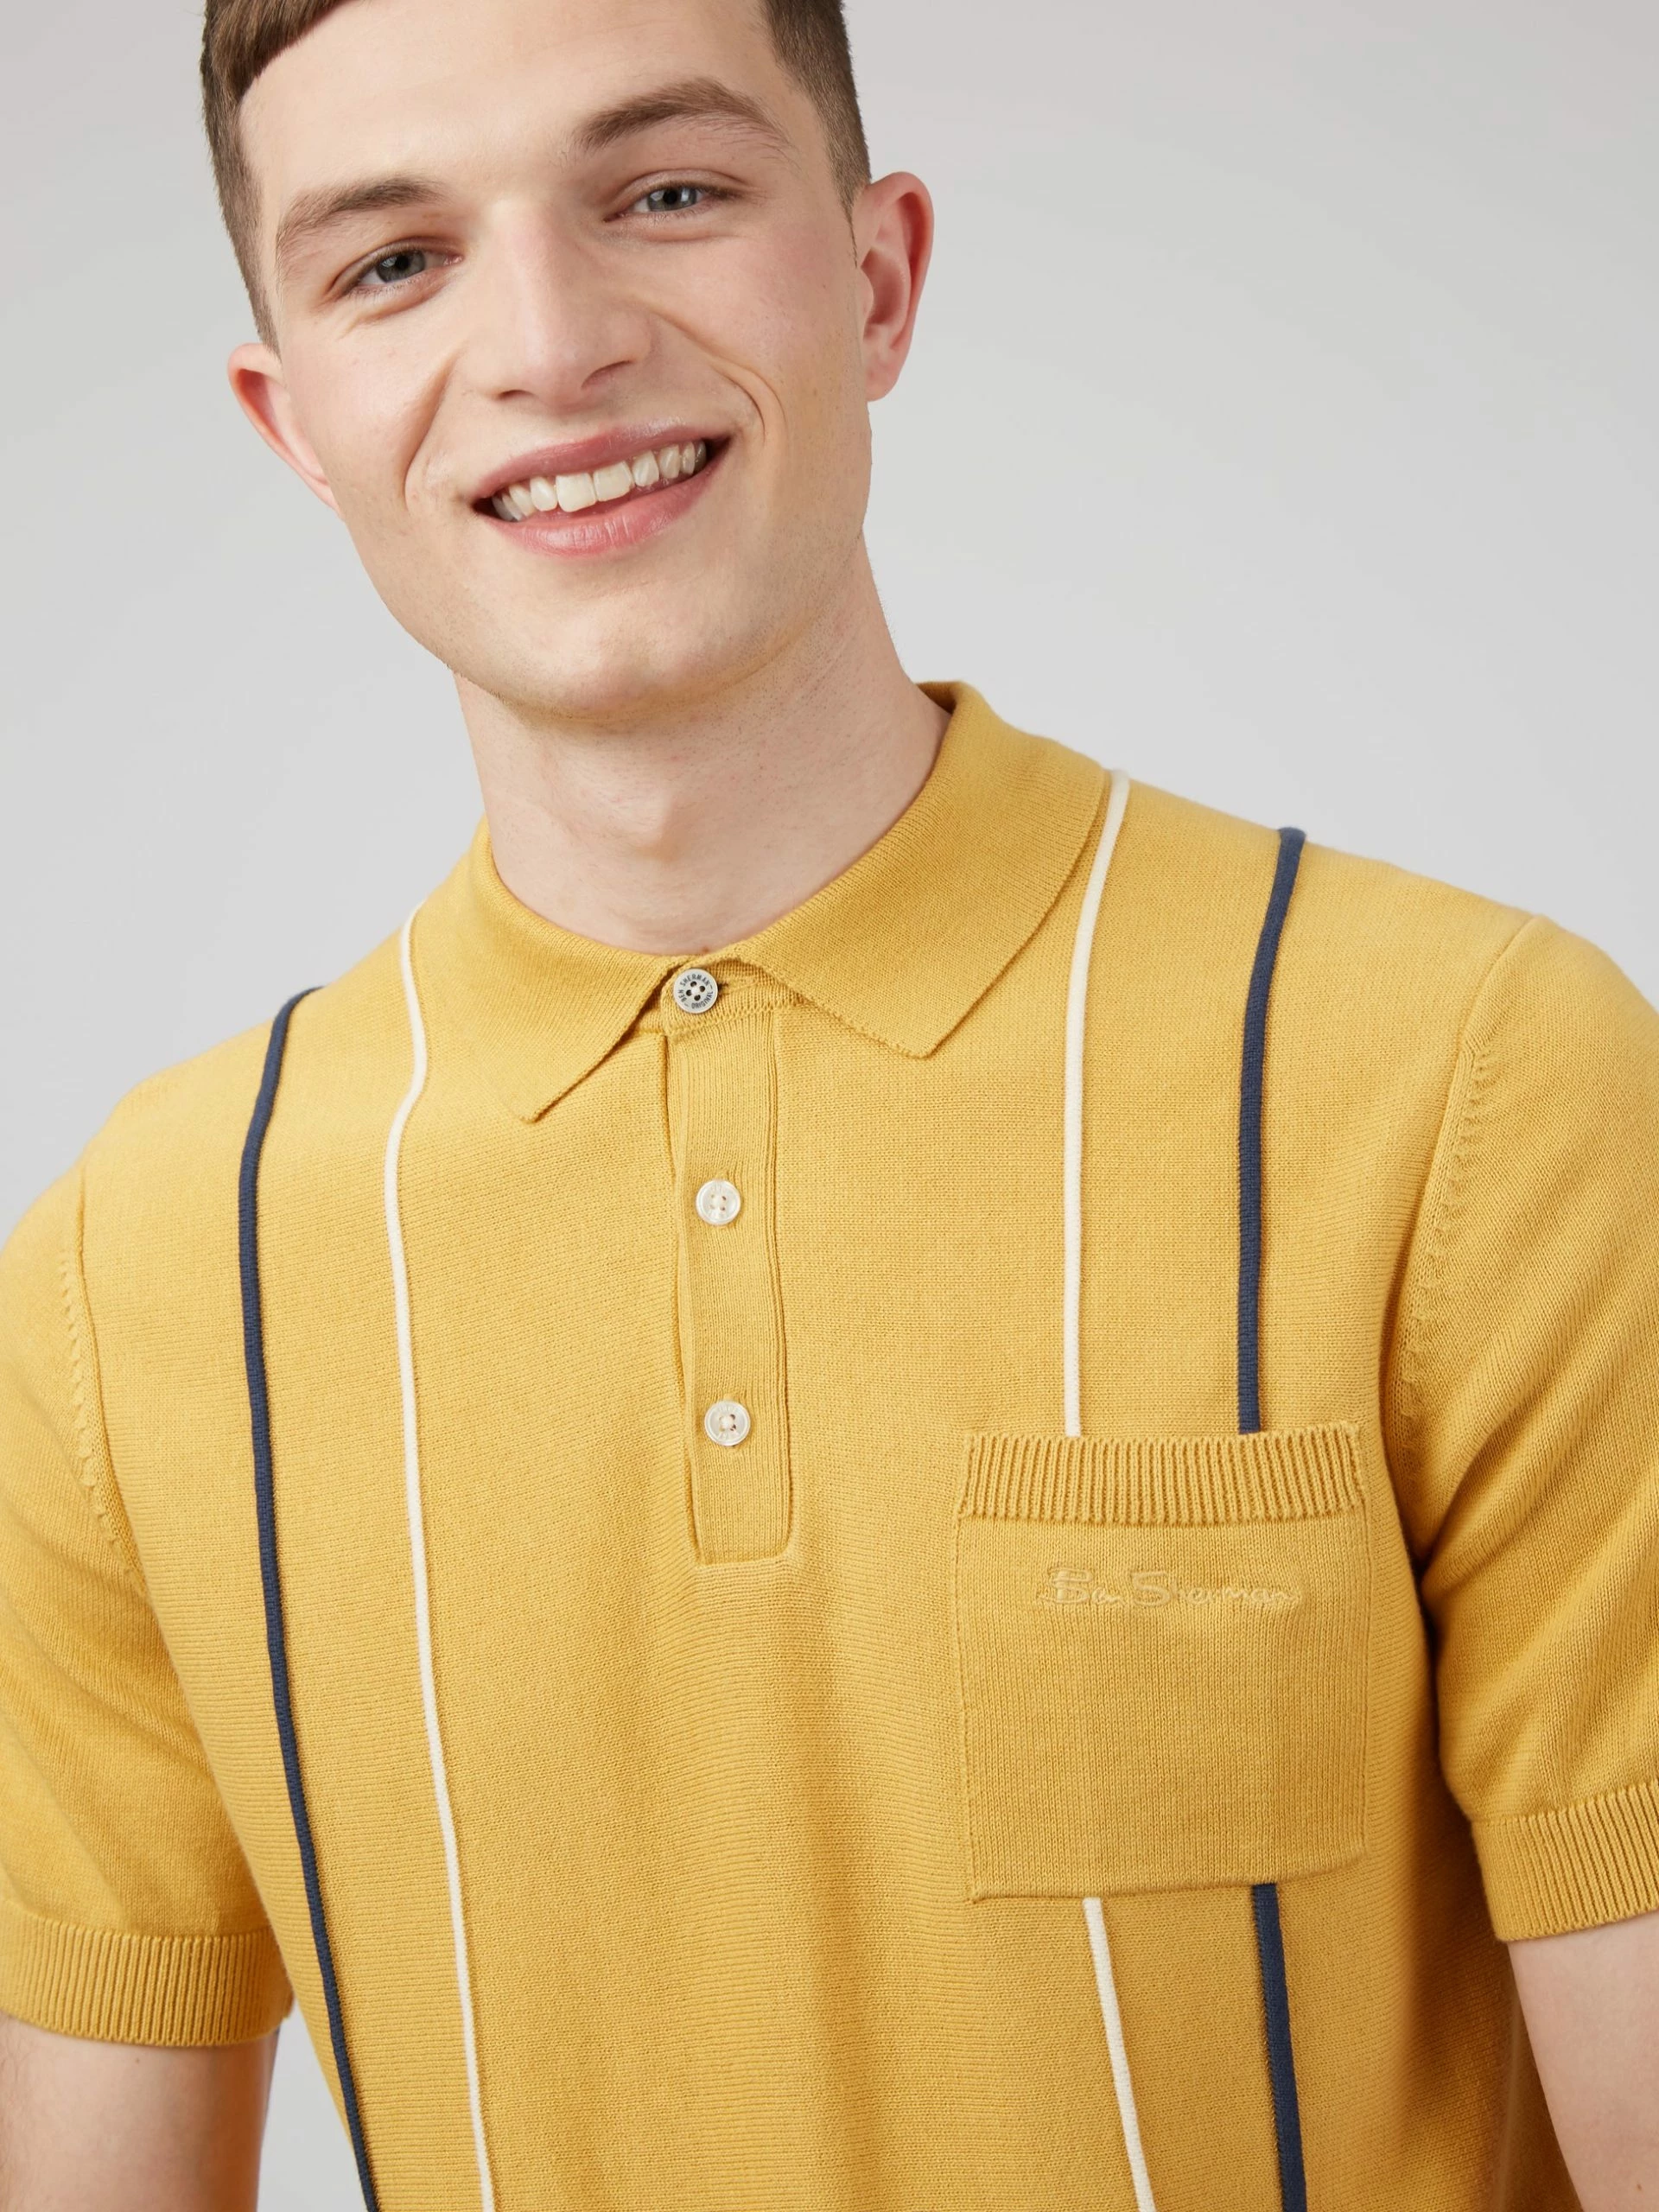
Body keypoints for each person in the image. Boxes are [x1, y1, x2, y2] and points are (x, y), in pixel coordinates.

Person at [1, 0, 1656, 2203]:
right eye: (394, 261)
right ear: (295, 419)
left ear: (877, 278)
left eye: (667, 192)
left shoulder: (1474, 1084)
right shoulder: (130, 1276)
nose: (553, 343)